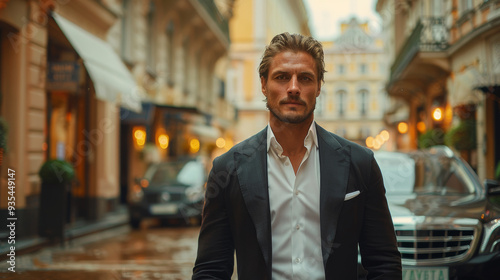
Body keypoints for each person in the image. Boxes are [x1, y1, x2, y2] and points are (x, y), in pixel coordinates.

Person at [192, 32, 402, 280]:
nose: (293, 88)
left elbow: (384, 262)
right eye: (282, 77)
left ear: (319, 86)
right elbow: (211, 269)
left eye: (305, 78)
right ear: (263, 84)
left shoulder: (360, 163)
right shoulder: (228, 169)